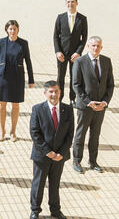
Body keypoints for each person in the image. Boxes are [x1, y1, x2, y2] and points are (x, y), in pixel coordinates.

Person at [29, 81, 73, 219]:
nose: (54, 94)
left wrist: (62, 153)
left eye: (56, 91)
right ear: (45, 93)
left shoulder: (68, 109)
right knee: (38, 184)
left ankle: (55, 210)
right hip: (42, 156)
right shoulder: (37, 109)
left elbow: (70, 134)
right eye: (51, 92)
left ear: (60, 92)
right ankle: (35, 210)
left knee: (55, 184)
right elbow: (35, 133)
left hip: (59, 156)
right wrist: (48, 152)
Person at [70, 36, 113, 174]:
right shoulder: (80, 62)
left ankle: (93, 161)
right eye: (93, 45)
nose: (96, 48)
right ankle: (77, 160)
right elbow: (76, 85)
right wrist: (89, 102)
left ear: (101, 47)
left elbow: (110, 85)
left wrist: (105, 102)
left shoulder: (106, 61)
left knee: (95, 135)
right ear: (88, 46)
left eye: (98, 46)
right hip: (85, 106)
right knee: (81, 134)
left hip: (100, 107)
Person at [0, 20, 35, 141]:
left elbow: (28, 61)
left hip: (17, 78)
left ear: (18, 29)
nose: (12, 31)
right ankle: (2, 131)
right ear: (7, 30)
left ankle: (13, 131)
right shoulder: (1, 42)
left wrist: (31, 79)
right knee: (2, 105)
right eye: (10, 29)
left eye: (14, 29)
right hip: (3, 77)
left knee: (15, 105)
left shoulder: (23, 43)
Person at [53, 0, 88, 104]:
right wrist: (58, 51)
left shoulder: (82, 19)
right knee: (60, 78)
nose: (70, 4)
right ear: (66, 3)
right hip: (62, 54)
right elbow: (55, 36)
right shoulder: (60, 17)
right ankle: (60, 98)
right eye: (68, 2)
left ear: (77, 3)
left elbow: (84, 37)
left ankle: (72, 99)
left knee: (75, 78)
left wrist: (78, 52)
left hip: (75, 55)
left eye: (72, 2)